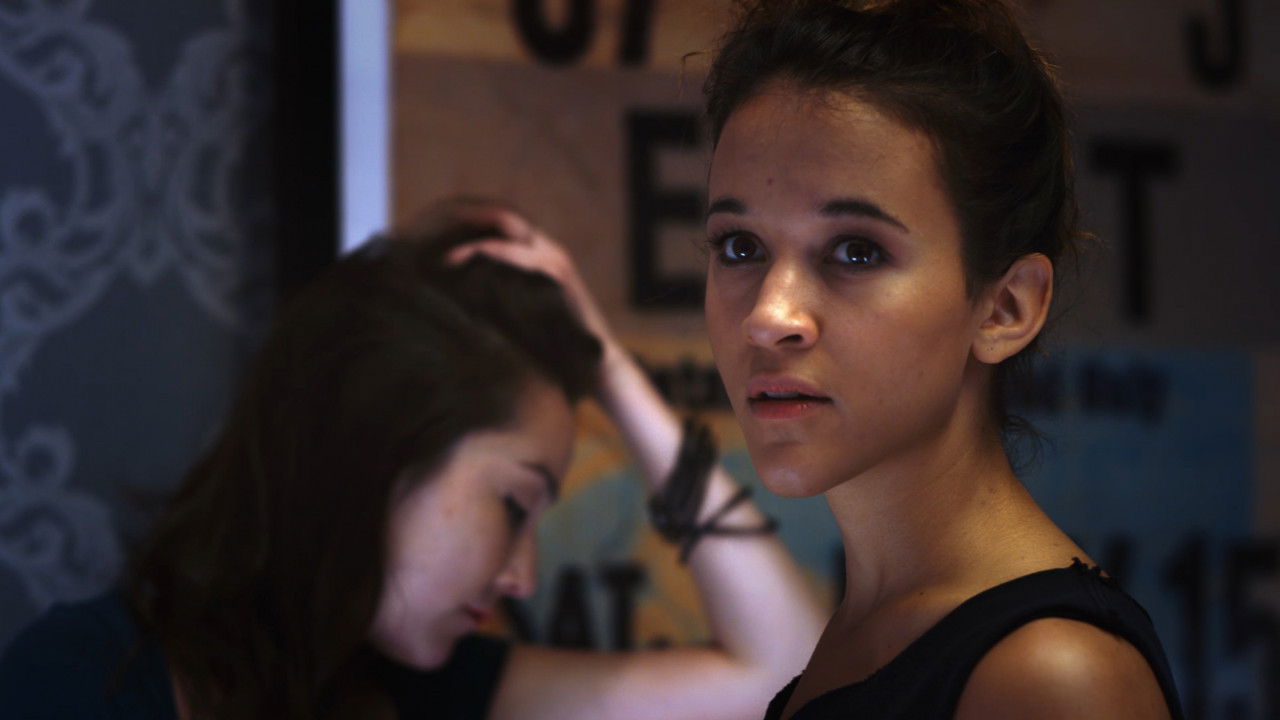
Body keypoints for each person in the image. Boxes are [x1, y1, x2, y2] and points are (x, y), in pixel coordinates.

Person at [0, 199, 825, 719]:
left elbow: (791, 677)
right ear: (373, 452)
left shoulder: (435, 687)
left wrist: (609, 369)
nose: (522, 578)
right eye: (512, 505)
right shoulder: (81, 682)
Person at [699, 1, 1184, 719]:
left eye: (856, 252)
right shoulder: (872, 627)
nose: (770, 317)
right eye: (740, 247)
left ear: (1005, 308)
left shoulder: (1054, 675)